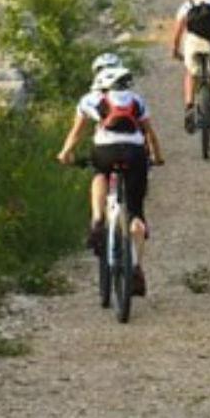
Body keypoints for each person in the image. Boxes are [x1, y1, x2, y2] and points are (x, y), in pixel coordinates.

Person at [57, 59, 163, 295]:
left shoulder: (90, 100)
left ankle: (96, 220)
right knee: (136, 213)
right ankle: (135, 265)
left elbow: (76, 133)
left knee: (100, 173)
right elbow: (150, 135)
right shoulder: (137, 100)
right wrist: (157, 157)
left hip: (104, 151)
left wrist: (66, 153)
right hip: (135, 154)